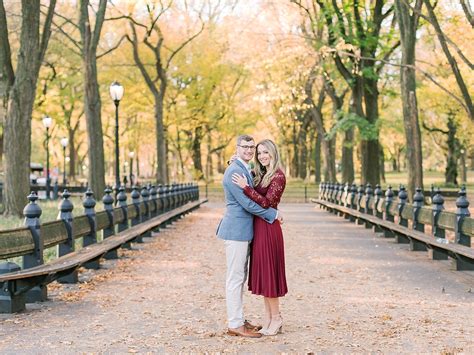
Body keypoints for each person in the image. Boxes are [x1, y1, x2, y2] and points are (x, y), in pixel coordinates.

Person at [216, 134, 282, 338]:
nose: (249, 150)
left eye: (251, 147)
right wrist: (274, 214)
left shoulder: (245, 168)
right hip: (236, 231)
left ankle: (239, 318)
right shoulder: (234, 171)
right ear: (236, 148)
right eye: (244, 147)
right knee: (235, 279)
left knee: (240, 277)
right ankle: (235, 324)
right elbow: (247, 204)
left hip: (246, 231)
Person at [231, 139, 287, 336]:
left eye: (266, 153)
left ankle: (277, 318)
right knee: (264, 276)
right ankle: (269, 318)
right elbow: (245, 170)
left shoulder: (278, 176)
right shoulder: (261, 173)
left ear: (273, 154)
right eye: (260, 153)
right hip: (259, 228)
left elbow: (266, 203)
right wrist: (235, 161)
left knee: (270, 275)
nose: (262, 156)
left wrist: (246, 188)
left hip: (269, 229)